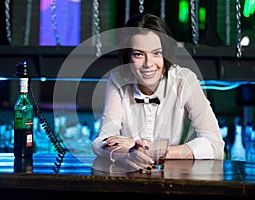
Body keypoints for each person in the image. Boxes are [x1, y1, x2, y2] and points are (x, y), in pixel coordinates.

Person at [91, 13, 225, 171]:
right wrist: (126, 155)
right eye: (139, 54)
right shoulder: (118, 80)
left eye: (157, 53)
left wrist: (154, 150)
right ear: (127, 57)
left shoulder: (184, 80)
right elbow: (102, 140)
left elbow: (215, 144)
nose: (149, 64)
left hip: (178, 182)